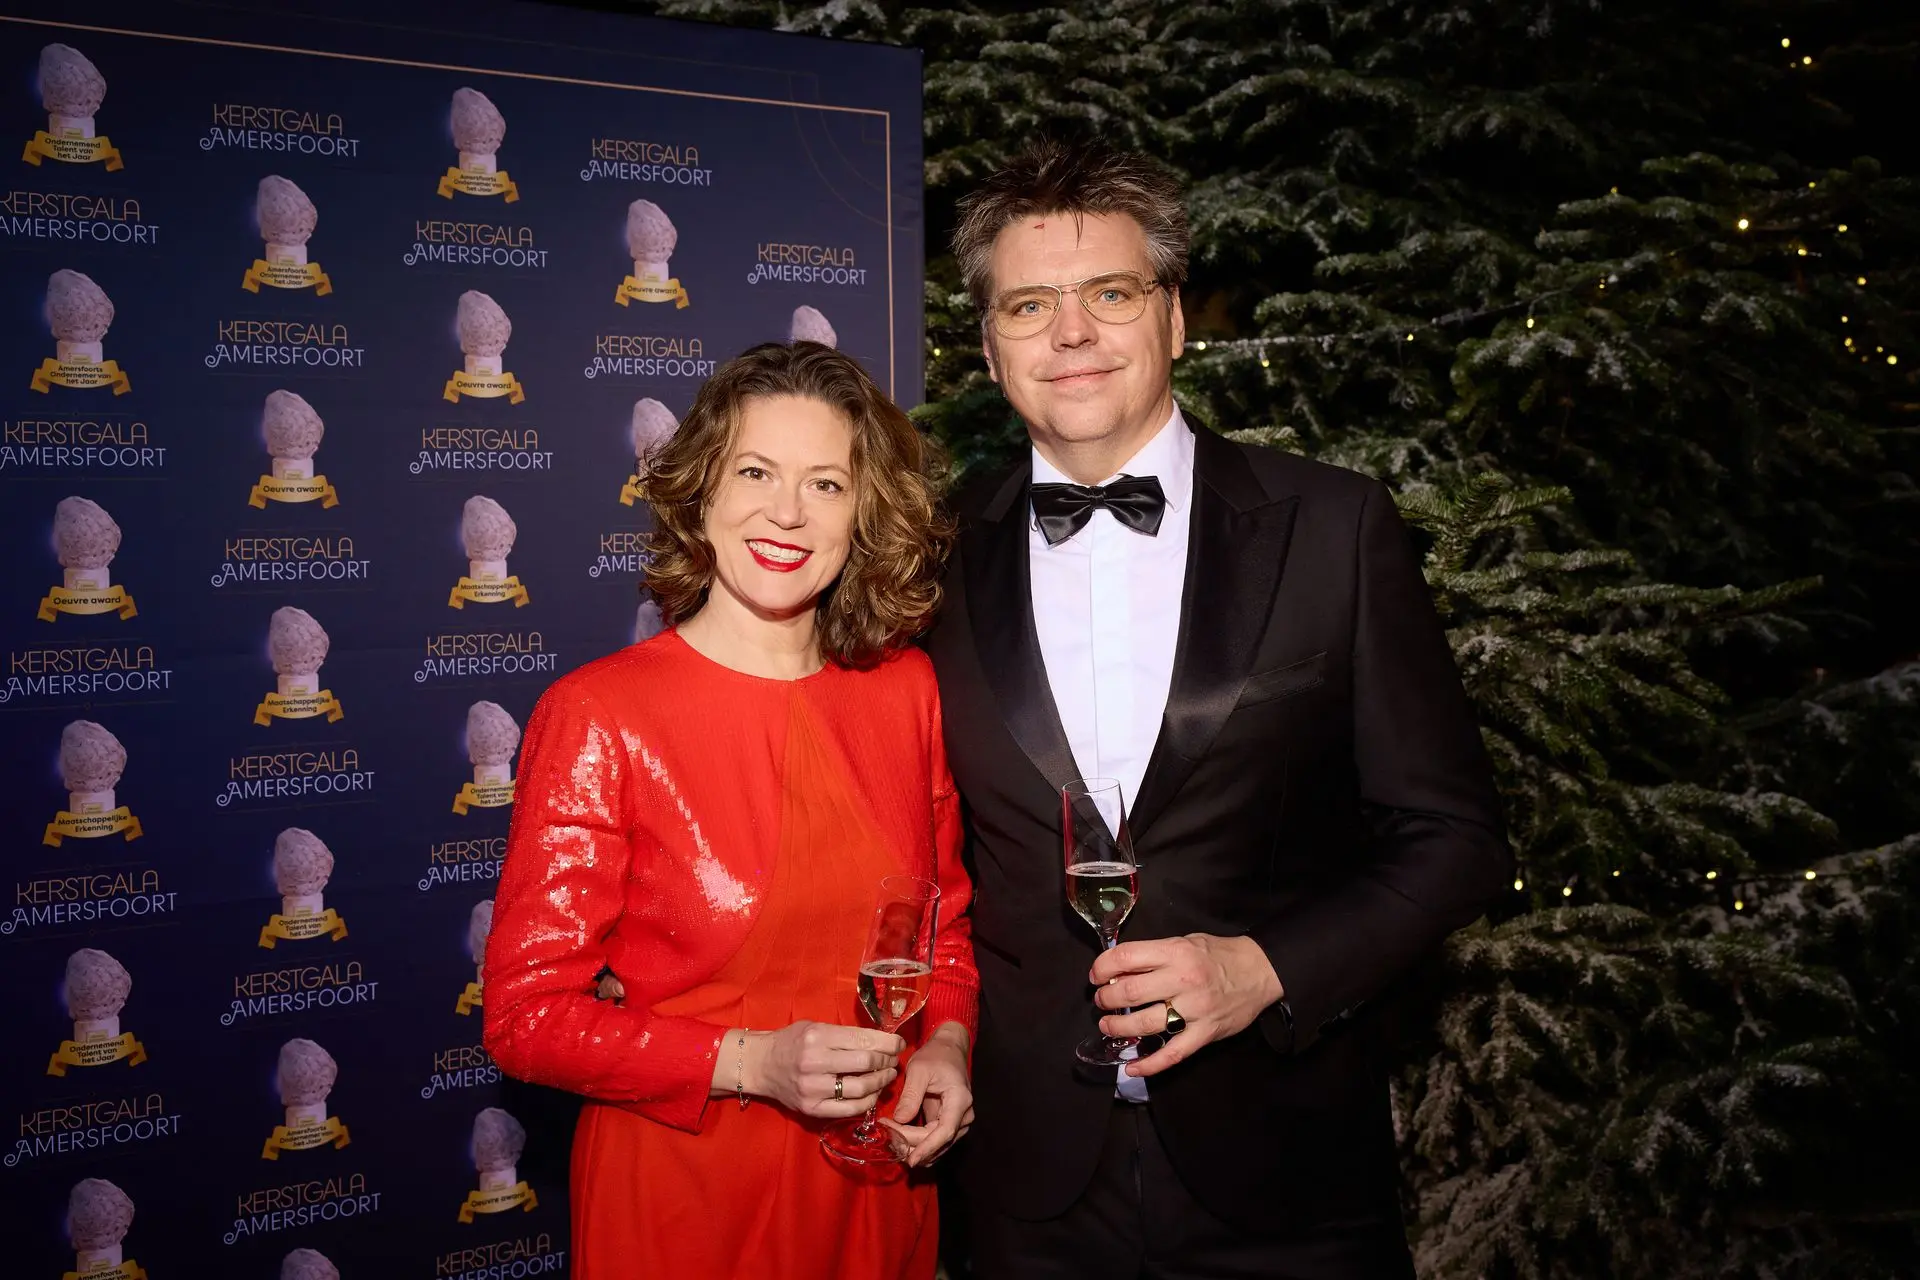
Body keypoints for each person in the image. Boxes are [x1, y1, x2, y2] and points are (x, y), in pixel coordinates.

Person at [926, 140, 1512, 1277]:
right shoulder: (928, 559)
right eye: (1030, 304)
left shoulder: (1334, 526)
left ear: (1174, 317)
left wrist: (1266, 968)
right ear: (991, 348)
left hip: (1288, 1177)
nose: (1072, 332)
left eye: (1111, 292)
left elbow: (1456, 840)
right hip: (1022, 1190)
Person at [483, 341, 978, 1280]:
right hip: (685, 1189)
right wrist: (751, 1063)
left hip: (876, 1180)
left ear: (864, 513)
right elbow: (526, 1017)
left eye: (826, 484)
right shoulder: (601, 714)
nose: (787, 512)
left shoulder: (905, 690)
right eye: (755, 472)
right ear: (700, 489)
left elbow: (941, 930)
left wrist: (947, 1044)